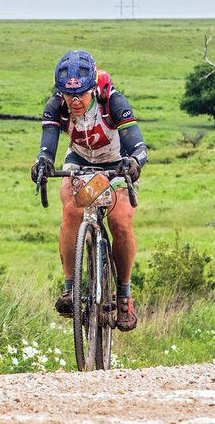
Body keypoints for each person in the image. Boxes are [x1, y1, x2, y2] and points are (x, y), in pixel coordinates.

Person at [31, 50, 148, 331]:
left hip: (115, 164)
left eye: (81, 94)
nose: (75, 101)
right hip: (80, 161)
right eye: (68, 95)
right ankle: (70, 287)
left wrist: (133, 163)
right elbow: (47, 145)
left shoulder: (113, 102)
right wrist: (43, 163)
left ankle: (124, 295)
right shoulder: (56, 106)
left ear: (93, 87)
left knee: (120, 221)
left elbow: (138, 146)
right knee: (71, 210)